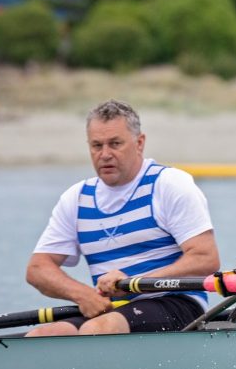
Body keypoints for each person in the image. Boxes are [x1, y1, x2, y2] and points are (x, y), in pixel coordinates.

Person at [25, 99, 220, 336]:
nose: (105, 154)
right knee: (44, 336)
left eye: (115, 144)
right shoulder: (76, 198)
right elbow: (38, 269)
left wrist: (134, 281)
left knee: (97, 329)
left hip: (178, 302)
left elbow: (205, 258)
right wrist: (82, 294)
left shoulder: (168, 184)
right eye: (96, 146)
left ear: (139, 143)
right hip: (114, 309)